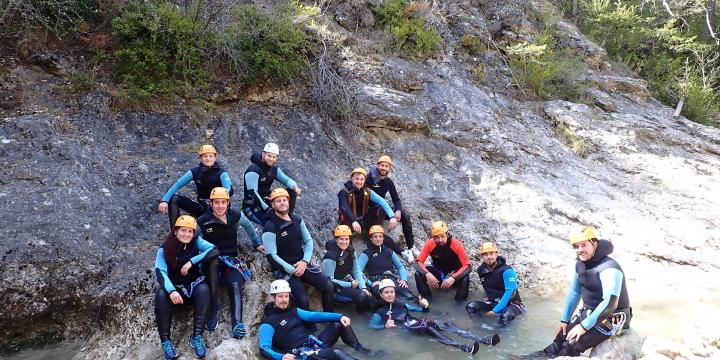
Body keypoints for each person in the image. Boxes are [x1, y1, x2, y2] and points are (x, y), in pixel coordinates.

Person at [532, 226, 632, 358]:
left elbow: (610, 304)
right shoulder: (580, 264)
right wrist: (564, 321)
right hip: (590, 313)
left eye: (584, 245)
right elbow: (574, 292)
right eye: (576, 246)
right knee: (561, 337)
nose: (580, 250)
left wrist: (583, 327)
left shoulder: (610, 268)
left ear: (595, 243)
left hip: (612, 318)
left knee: (572, 344)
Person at [368, 279, 500, 354]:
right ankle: (464, 347)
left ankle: (483, 340)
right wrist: (384, 326)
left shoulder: (401, 305)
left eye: (392, 292)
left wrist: (425, 306)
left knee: (448, 325)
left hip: (419, 322)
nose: (390, 294)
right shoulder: (379, 313)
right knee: (433, 332)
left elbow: (421, 311)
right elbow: (372, 326)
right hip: (410, 329)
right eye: (386, 293)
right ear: (381, 295)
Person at [196, 187, 262, 337]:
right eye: (216, 202)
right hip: (211, 261)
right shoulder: (203, 221)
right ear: (210, 203)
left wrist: (257, 243)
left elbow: (248, 226)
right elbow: (190, 239)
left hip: (230, 260)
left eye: (223, 202)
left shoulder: (235, 215)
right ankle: (214, 309)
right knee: (213, 266)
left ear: (228, 203)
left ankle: (237, 323)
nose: (220, 206)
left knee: (234, 283)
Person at [258, 279, 380, 360]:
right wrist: (281, 357)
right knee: (336, 353)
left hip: (314, 343)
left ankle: (363, 350)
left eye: (286, 296)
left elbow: (313, 316)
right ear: (273, 298)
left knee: (339, 324)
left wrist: (340, 316)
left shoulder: (293, 311)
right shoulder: (268, 322)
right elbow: (264, 348)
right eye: (280, 296)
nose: (284, 300)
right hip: (301, 355)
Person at [154, 215, 218, 359]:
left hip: (192, 286)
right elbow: (160, 272)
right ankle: (166, 341)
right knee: (160, 295)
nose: (187, 234)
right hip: (174, 289)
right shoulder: (165, 248)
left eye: (190, 231)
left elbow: (212, 249)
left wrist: (191, 261)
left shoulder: (195, 241)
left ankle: (197, 336)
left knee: (203, 289)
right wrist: (171, 291)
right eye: (183, 231)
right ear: (176, 231)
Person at [262, 188, 335, 312]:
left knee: (328, 286)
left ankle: (331, 318)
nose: (282, 203)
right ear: (273, 205)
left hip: (302, 263)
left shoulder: (297, 220)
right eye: (278, 201)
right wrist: (292, 270)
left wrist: (305, 261)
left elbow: (308, 242)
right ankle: (308, 328)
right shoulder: (270, 227)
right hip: (284, 269)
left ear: (288, 202)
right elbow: (271, 256)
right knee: (302, 299)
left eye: (284, 200)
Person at [158, 144, 232, 229]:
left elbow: (229, 190)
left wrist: (216, 199)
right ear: (200, 158)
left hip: (217, 207)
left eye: (210, 156)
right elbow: (177, 185)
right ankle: (175, 234)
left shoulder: (221, 173)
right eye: (205, 156)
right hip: (201, 206)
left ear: (215, 158)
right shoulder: (195, 172)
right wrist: (164, 200)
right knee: (174, 198)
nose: (208, 158)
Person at [337, 167, 403, 255]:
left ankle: (369, 234)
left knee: (381, 208)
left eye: (361, 179)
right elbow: (344, 207)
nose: (359, 182)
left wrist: (392, 216)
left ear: (365, 180)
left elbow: (382, 202)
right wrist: (353, 221)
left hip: (363, 221)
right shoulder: (343, 192)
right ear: (351, 178)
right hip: (349, 223)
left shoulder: (367, 190)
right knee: (347, 246)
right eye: (356, 179)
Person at [364, 155, 417, 262]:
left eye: (387, 166)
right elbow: (375, 199)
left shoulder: (388, 182)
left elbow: (396, 199)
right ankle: (402, 251)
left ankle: (411, 247)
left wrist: (397, 211)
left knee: (405, 215)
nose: (384, 168)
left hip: (382, 209)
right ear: (377, 165)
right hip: (369, 211)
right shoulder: (368, 178)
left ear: (390, 168)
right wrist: (391, 215)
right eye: (382, 165)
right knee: (378, 228)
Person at [466, 242, 526, 324]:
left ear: (496, 254)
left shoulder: (507, 271)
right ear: (482, 256)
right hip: (493, 302)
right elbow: (489, 289)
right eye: (485, 254)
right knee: (471, 306)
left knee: (505, 316)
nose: (489, 257)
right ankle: (481, 328)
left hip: (512, 304)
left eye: (491, 253)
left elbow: (510, 293)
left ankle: (500, 335)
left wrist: (495, 311)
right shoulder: (481, 270)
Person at [243, 143, 301, 225]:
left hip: (268, 199)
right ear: (263, 154)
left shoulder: (274, 169)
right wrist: (268, 209)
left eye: (274, 157)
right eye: (269, 156)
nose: (271, 159)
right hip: (253, 205)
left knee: (292, 192)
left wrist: (294, 187)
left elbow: (286, 180)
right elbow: (253, 193)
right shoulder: (253, 170)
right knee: (272, 223)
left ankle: (287, 215)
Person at [414, 221, 472, 302]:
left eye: (442, 236)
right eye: (437, 237)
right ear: (433, 237)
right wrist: (427, 274)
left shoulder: (456, 244)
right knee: (418, 274)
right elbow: (417, 262)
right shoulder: (430, 244)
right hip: (439, 274)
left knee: (465, 277)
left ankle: (459, 304)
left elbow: (468, 266)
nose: (440, 240)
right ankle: (428, 301)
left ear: (447, 234)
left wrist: (453, 277)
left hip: (454, 274)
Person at [322, 225, 374, 313]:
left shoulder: (351, 251)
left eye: (346, 239)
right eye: (341, 239)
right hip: (336, 287)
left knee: (370, 293)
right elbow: (329, 281)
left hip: (348, 280)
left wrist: (363, 287)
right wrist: (350, 284)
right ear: (336, 239)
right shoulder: (330, 256)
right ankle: (361, 318)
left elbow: (356, 271)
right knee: (362, 296)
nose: (344, 242)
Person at [357, 225, 415, 301]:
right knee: (382, 298)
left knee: (408, 295)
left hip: (392, 279)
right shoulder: (366, 254)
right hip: (377, 282)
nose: (378, 239)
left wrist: (404, 280)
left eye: (380, 236)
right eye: (375, 237)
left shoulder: (389, 251)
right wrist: (371, 283)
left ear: (383, 238)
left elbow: (400, 267)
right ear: (371, 238)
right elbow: (358, 272)